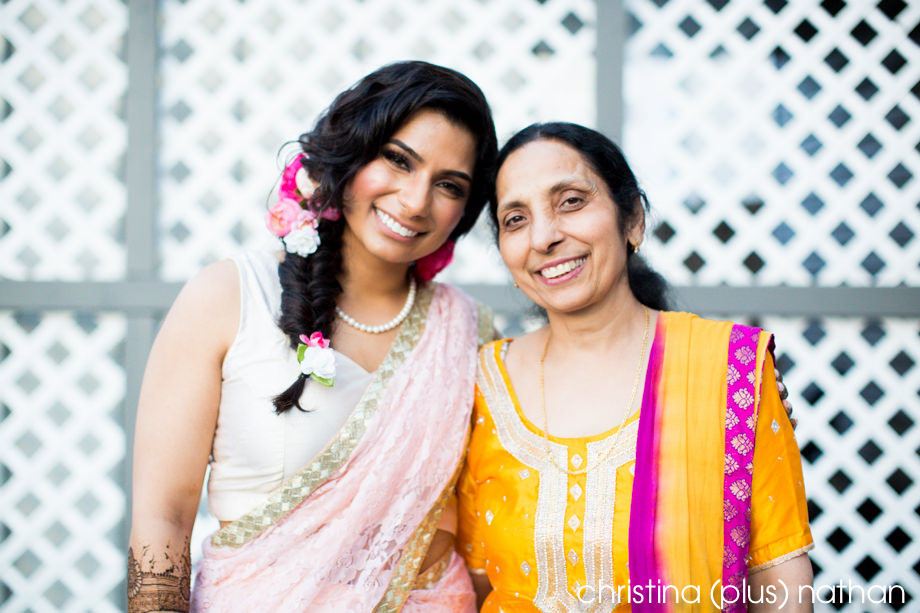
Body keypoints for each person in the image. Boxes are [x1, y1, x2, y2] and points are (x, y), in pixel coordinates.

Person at [128, 61, 498, 612]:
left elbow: (480, 525)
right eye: (398, 160)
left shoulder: (466, 331)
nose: (417, 201)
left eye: (448, 185)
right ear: (350, 154)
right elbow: (164, 515)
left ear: (463, 213)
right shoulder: (231, 296)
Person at [458, 122, 814, 612]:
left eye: (571, 201)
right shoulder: (481, 384)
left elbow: (780, 584)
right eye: (515, 219)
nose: (543, 237)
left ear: (633, 220)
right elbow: (468, 586)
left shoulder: (727, 372)